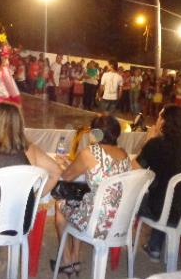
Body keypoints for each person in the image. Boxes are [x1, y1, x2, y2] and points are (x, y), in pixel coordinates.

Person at [0, 103, 61, 271]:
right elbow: (56, 172)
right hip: (20, 221)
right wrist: (36, 199)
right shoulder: (31, 150)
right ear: (19, 124)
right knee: (2, 210)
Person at [53, 115, 131, 276]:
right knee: (79, 201)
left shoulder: (90, 152)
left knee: (60, 204)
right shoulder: (123, 154)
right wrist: (71, 163)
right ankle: (76, 257)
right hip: (119, 220)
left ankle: (68, 260)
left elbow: (67, 176)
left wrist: (61, 164)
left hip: (96, 222)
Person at [133, 105, 181, 261]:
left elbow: (134, 168)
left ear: (164, 121)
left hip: (162, 209)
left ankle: (119, 236)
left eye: (159, 117)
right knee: (168, 193)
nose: (157, 120)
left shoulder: (156, 144)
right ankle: (155, 247)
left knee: (138, 197)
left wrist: (149, 139)